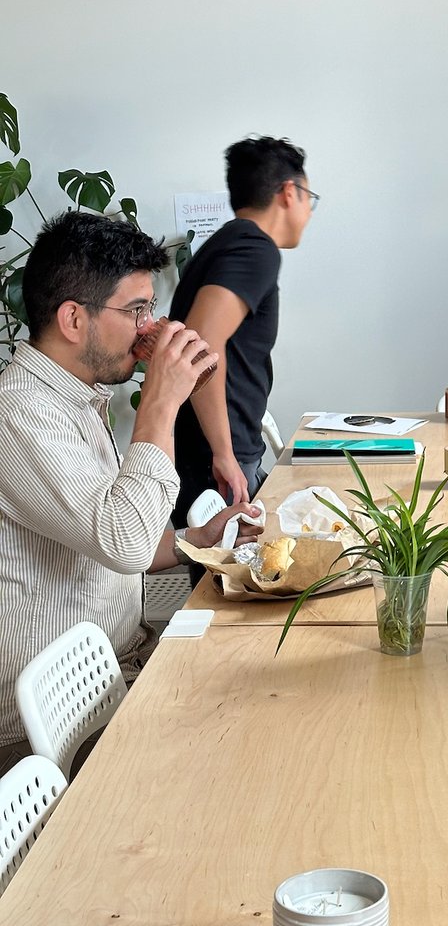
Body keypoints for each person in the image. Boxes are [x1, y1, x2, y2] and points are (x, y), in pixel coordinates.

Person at [0, 211, 258, 771]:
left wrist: (196, 537)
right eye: (136, 309)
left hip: (120, 674)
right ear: (73, 318)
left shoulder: (77, 398)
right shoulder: (19, 413)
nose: (149, 325)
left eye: (150, 308)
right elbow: (124, 543)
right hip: (52, 730)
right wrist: (162, 403)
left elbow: (119, 544)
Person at [169, 136, 315, 530]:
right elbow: (199, 341)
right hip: (216, 455)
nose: (310, 213)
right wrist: (224, 452)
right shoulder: (255, 248)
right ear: (289, 192)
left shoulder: (225, 244)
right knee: (229, 585)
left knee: (224, 578)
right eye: (309, 199)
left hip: (208, 449)